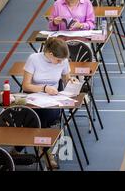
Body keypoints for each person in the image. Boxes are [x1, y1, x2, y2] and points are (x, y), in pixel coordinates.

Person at [22, 37, 77, 168]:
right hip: (33, 96)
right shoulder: (33, 59)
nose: (60, 63)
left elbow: (66, 79)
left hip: (52, 100)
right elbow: (26, 86)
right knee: (31, 115)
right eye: (58, 60)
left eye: (62, 61)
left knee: (45, 115)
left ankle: (37, 150)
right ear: (50, 54)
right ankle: (44, 150)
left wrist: (71, 81)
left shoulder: (62, 61)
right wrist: (44, 88)